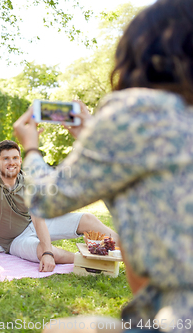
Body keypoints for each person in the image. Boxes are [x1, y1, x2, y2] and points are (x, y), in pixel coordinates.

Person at [13, 0, 193, 331]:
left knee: (57, 329)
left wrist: (32, 149)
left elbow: (45, 200)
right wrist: (91, 137)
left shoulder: (134, 111)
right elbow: (142, 198)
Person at [0, 140, 118, 272]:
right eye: (6, 158)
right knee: (44, 251)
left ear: (20, 160)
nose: (11, 162)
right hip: (14, 240)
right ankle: (86, 260)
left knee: (87, 219)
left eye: (15, 158)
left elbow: (38, 220)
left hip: (34, 223)